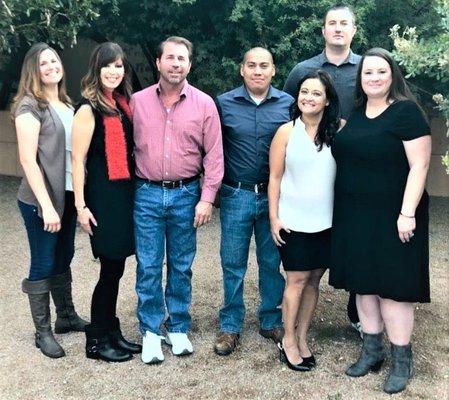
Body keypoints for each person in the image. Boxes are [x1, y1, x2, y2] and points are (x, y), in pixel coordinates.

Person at [329, 48, 431, 394]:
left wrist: (407, 213)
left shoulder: (406, 113)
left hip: (394, 215)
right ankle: (371, 351)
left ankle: (402, 358)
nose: (373, 77)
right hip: (354, 214)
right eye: (368, 72)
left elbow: (419, 165)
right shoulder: (356, 113)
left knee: (392, 287)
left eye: (380, 72)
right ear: (361, 78)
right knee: (363, 283)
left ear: (393, 76)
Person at [132, 36, 224, 364]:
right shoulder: (138, 102)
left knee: (182, 265)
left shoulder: (204, 104)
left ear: (189, 64)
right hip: (147, 193)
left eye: (182, 58)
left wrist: (207, 198)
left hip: (187, 194)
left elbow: (214, 155)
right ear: (158, 63)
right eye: (170, 57)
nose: (176, 64)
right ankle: (151, 331)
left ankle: (179, 326)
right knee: (148, 264)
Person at [283, 3, 362, 335]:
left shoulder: (367, 68)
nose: (338, 28)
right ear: (324, 30)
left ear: (354, 30)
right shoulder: (304, 69)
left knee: (356, 240)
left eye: (345, 23)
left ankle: (358, 312)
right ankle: (289, 318)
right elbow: (286, 111)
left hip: (355, 169)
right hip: (311, 167)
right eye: (333, 23)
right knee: (306, 258)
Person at [213, 47, 293, 356]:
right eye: (251, 65)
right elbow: (212, 148)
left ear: (273, 70)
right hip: (237, 194)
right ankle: (231, 325)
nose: (257, 70)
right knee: (233, 263)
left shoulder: (287, 104)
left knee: (271, 262)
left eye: (264, 65)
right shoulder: (224, 104)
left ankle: (270, 319)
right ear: (242, 70)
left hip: (274, 197)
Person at [13, 42, 87, 359]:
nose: (51, 67)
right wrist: (45, 205)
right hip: (40, 200)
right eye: (43, 63)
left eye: (54, 61)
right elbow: (28, 161)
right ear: (34, 69)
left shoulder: (67, 105)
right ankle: (41, 332)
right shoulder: (30, 106)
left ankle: (66, 317)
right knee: (43, 260)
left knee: (64, 255)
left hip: (67, 195)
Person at [72, 42, 141, 363]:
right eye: (108, 66)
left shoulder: (121, 104)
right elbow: (78, 161)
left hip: (123, 196)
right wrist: (81, 206)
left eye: (119, 66)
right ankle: (97, 340)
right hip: (102, 199)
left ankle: (111, 331)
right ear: (96, 69)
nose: (114, 72)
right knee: (110, 269)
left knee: (116, 267)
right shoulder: (88, 108)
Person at [269, 70, 341, 371]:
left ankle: (303, 336)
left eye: (316, 94)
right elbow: (274, 177)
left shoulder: (339, 131)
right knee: (296, 280)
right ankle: (287, 340)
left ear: (327, 101)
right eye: (304, 92)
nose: (308, 98)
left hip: (327, 222)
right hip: (293, 221)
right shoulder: (286, 131)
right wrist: (274, 217)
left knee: (314, 280)